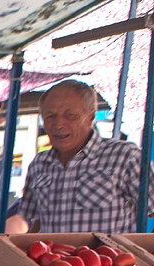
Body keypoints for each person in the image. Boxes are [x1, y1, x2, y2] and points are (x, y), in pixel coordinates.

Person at [8, 80, 146, 234]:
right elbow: (38, 222)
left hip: (109, 257)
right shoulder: (39, 164)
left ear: (91, 116)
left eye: (70, 115)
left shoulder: (124, 156)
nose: (59, 124)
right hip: (53, 258)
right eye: (50, 116)